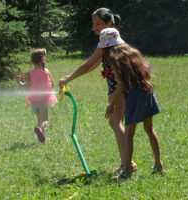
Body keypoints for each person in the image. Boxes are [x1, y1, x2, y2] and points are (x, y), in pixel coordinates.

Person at [59, 8, 137, 173]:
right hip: (118, 86)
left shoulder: (108, 42)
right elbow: (93, 65)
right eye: (93, 23)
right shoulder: (109, 41)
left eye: (98, 23)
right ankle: (126, 162)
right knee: (116, 122)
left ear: (109, 23)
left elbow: (88, 64)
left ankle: (128, 164)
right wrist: (71, 77)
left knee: (116, 122)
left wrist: (68, 79)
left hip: (118, 87)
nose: (95, 26)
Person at [100, 28, 164, 180]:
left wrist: (111, 105)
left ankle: (126, 172)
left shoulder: (114, 59)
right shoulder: (133, 53)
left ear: (106, 46)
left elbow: (121, 84)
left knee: (129, 133)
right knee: (149, 129)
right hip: (147, 92)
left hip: (134, 96)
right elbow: (146, 71)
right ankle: (158, 165)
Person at [17, 48, 57, 143]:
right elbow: (52, 85)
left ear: (31, 61)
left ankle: (43, 139)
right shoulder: (46, 71)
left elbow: (26, 87)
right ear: (43, 59)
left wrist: (19, 82)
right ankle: (39, 128)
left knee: (39, 119)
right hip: (43, 100)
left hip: (33, 100)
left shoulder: (30, 73)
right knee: (45, 120)